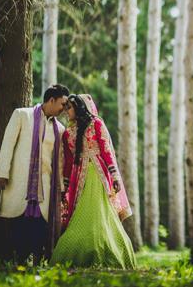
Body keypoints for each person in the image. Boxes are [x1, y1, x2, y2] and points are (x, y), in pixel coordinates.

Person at [51, 94, 136, 269]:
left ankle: (110, 252)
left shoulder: (96, 124)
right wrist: (64, 187)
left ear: (80, 107)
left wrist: (114, 176)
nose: (66, 111)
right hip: (77, 178)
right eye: (65, 108)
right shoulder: (68, 133)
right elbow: (67, 162)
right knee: (80, 214)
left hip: (97, 174)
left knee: (100, 212)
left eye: (70, 107)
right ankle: (75, 254)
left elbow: (106, 151)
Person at [0, 84, 69, 263]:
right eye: (62, 104)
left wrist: (60, 187)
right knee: (19, 221)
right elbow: (8, 144)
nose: (63, 109)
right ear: (51, 100)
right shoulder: (22, 115)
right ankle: (18, 258)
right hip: (21, 180)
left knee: (40, 224)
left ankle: (36, 258)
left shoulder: (60, 129)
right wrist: (2, 172)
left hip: (44, 186)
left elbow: (59, 162)